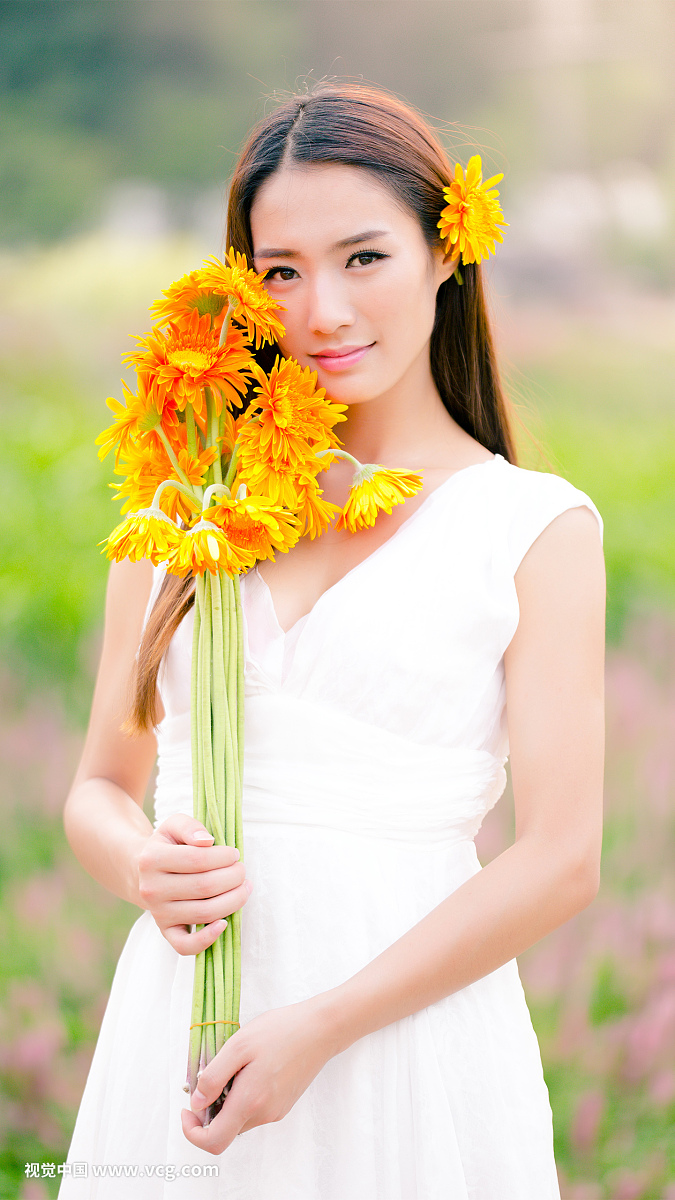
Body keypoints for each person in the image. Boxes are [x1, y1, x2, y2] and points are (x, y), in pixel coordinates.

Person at [59, 83, 605, 1199]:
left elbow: (562, 860)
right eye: (282, 271)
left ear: (448, 251)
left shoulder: (532, 525)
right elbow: (99, 790)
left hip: (404, 1041)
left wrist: (327, 1025)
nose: (324, 311)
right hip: (183, 1037)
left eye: (365, 258)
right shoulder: (182, 507)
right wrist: (140, 864)